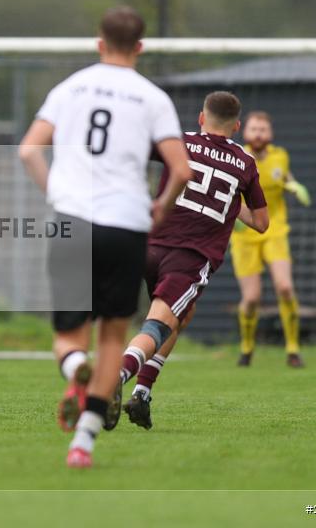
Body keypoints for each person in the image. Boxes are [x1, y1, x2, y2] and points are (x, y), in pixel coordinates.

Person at [18, 6, 192, 468]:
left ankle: (76, 369)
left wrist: (58, 192)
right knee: (113, 337)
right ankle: (83, 445)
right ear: (140, 47)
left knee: (68, 337)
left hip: (74, 219)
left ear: (99, 42)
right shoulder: (153, 98)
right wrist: (160, 207)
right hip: (127, 225)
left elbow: (29, 149)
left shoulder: (70, 88)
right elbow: (181, 169)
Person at [115, 92, 269, 431]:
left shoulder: (180, 142)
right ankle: (120, 376)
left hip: (149, 244)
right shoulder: (244, 163)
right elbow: (261, 223)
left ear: (202, 118)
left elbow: (136, 151)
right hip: (190, 256)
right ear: (238, 126)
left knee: (183, 313)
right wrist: (232, 201)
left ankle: (142, 393)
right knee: (158, 323)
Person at [231, 111, 310, 368]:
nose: (258, 134)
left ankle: (293, 349)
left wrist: (293, 185)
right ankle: (246, 348)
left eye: (263, 129)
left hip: (275, 230)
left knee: (285, 287)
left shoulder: (280, 156)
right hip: (245, 234)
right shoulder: (237, 156)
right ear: (245, 132)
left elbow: (285, 177)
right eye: (254, 129)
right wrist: (237, 219)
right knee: (252, 298)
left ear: (270, 134)